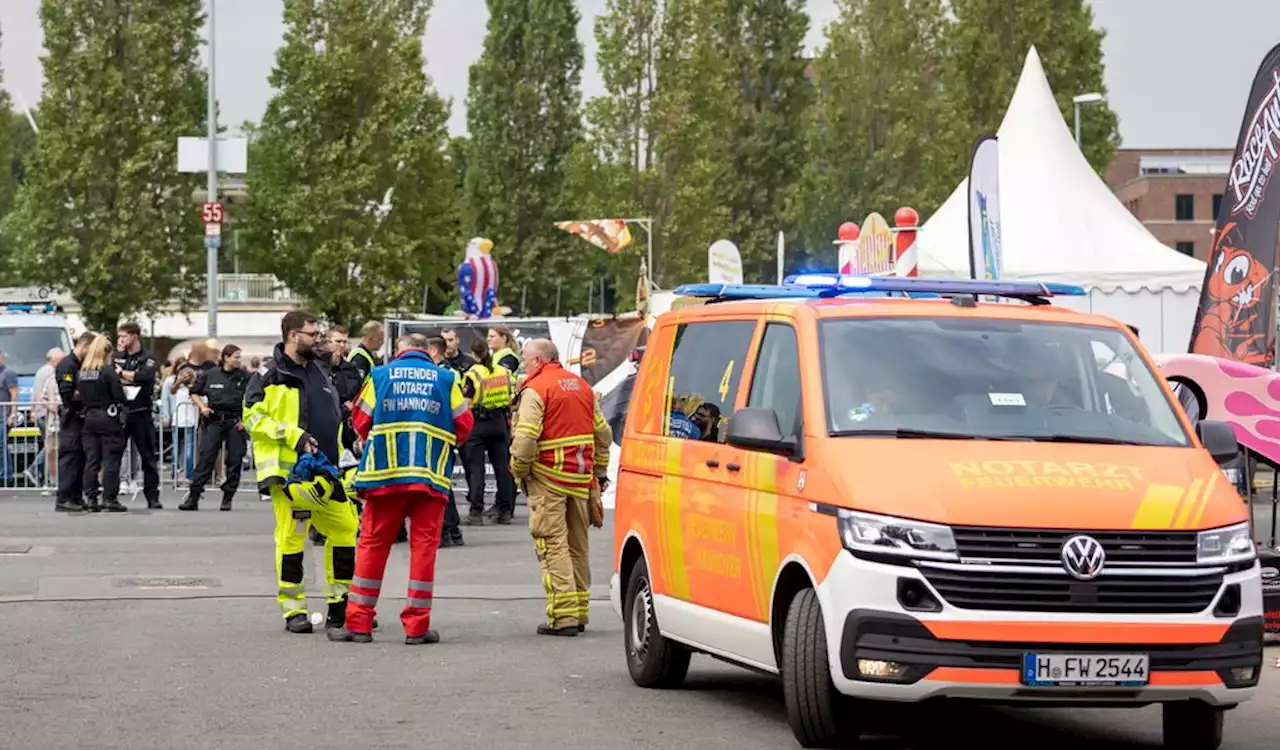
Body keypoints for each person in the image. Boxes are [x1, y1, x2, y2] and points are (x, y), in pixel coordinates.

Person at [327, 333, 474, 645]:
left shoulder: (380, 376)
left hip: (385, 475)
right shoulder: (446, 379)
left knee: (372, 545)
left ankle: (359, 623)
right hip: (430, 477)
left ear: (399, 350)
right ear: (427, 351)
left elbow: (360, 419)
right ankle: (417, 628)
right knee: (423, 549)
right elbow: (464, 424)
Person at [244, 311, 359, 634]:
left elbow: (331, 415)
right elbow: (253, 418)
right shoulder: (269, 375)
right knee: (292, 536)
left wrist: (350, 443)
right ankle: (294, 609)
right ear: (293, 335)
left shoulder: (320, 371)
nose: (317, 339)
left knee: (345, 527)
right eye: (312, 334)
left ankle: (340, 602)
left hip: (326, 469)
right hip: (291, 473)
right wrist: (293, 435)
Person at [510, 339, 611, 636]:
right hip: (580, 480)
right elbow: (603, 434)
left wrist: (519, 470)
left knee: (552, 545)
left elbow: (526, 438)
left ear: (539, 361)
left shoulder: (536, 389)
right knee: (578, 546)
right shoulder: (581, 386)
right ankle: (579, 613)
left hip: (546, 478)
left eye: (526, 361)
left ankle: (564, 617)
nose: (524, 366)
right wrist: (599, 472)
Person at [179, 345, 252, 511]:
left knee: (234, 460)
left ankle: (228, 497)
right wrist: (202, 407)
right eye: (236, 357)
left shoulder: (245, 377)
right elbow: (194, 392)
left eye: (240, 357)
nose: (238, 360)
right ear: (226, 357)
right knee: (206, 458)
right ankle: (194, 496)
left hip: (235, 421)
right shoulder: (210, 375)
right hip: (214, 420)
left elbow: (255, 397)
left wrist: (246, 420)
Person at [461, 338, 518, 525]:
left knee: (477, 470)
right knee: (502, 468)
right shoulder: (503, 371)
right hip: (500, 422)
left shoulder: (473, 374)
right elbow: (511, 397)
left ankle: (476, 512)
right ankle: (505, 511)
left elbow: (466, 404)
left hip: (478, 423)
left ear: (473, 354)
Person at [112, 322, 162, 509]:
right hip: (123, 411)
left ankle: (152, 496)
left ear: (134, 336)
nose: (121, 340)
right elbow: (113, 378)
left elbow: (146, 378)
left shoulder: (148, 357)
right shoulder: (117, 356)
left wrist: (123, 374)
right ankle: (111, 495)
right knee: (115, 455)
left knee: (148, 457)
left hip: (141, 412)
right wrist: (127, 376)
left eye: (124, 336)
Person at [77, 334, 128, 513]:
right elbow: (119, 396)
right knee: (111, 460)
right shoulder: (107, 371)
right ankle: (109, 498)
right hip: (108, 418)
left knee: (92, 461)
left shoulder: (82, 373)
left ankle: (91, 499)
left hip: (89, 418)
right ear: (106, 352)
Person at [426, 336, 465, 548]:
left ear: (433, 351)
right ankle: (452, 529)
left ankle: (448, 529)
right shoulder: (448, 372)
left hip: (441, 434)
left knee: (439, 483)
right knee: (442, 482)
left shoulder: (445, 375)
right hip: (445, 434)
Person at [54, 332, 96, 512]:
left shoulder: (79, 364)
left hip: (80, 418)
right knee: (70, 457)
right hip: (71, 417)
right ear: (85, 346)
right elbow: (68, 394)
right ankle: (64, 497)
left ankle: (76, 496)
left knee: (80, 458)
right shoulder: (67, 365)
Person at [32, 348, 65, 486]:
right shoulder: (51, 372)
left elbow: (35, 392)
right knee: (51, 447)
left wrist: (32, 409)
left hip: (41, 412)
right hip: (48, 415)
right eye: (62, 359)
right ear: (55, 359)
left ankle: (46, 477)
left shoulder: (40, 371)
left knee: (49, 447)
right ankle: (35, 469)